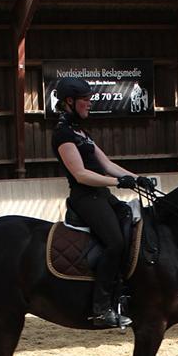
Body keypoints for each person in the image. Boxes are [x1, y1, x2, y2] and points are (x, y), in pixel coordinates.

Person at [51, 77, 154, 328]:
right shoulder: (63, 135)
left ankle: (126, 292)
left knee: (132, 225)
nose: (89, 104)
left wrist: (135, 178)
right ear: (69, 102)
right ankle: (101, 308)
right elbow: (81, 174)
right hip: (85, 198)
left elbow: (107, 164)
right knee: (115, 242)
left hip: (101, 196)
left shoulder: (82, 133)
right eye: (85, 100)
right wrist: (117, 183)